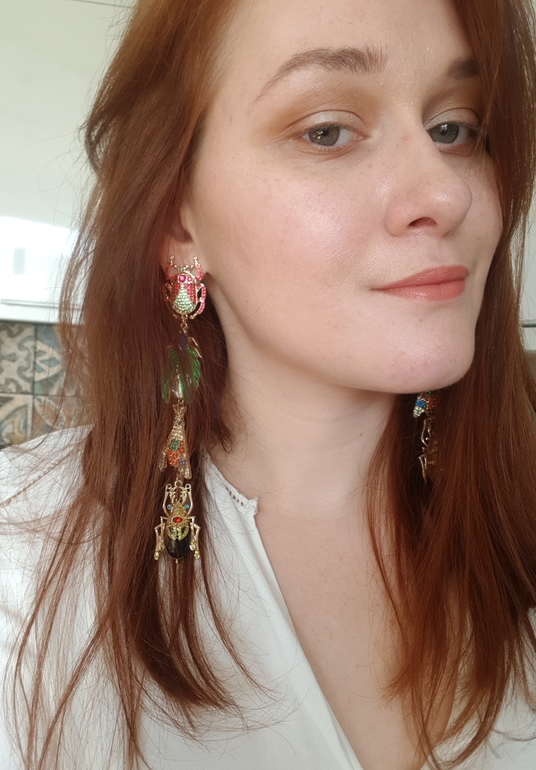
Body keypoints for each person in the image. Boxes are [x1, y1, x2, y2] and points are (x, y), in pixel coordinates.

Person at [2, 0, 536, 767]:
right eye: (327, 132)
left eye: (455, 128)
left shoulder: (513, 519)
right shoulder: (20, 565)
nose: (447, 194)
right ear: (177, 223)